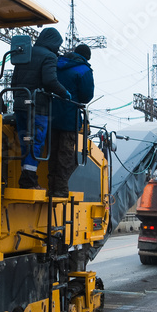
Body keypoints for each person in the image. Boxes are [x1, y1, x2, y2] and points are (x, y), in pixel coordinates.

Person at [10, 27, 70, 189]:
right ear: (53, 42)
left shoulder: (26, 54)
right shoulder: (49, 56)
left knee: (25, 142)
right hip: (38, 107)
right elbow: (50, 80)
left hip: (20, 106)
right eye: (58, 44)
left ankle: (26, 177)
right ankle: (28, 181)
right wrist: (64, 93)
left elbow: (13, 82)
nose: (58, 48)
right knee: (36, 142)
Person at [48, 43, 95, 197]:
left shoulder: (56, 63)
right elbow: (86, 96)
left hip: (50, 115)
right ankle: (60, 189)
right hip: (69, 118)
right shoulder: (83, 70)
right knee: (67, 154)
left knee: (52, 152)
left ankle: (51, 186)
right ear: (87, 57)